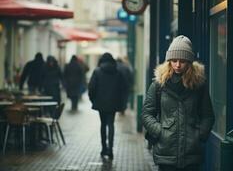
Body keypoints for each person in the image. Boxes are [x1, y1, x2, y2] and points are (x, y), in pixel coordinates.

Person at [142, 35, 215, 171]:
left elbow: (208, 115)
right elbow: (147, 114)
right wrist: (160, 132)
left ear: (189, 62)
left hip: (191, 154)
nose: (177, 65)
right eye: (174, 60)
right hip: (166, 152)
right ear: (169, 61)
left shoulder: (198, 85)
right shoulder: (159, 84)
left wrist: (199, 135)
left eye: (182, 61)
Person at [88, 52, 126, 160]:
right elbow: (123, 88)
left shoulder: (97, 71)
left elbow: (91, 88)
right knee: (111, 124)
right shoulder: (118, 72)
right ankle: (110, 149)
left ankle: (104, 148)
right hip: (113, 103)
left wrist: (93, 100)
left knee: (103, 124)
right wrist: (120, 102)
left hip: (101, 104)